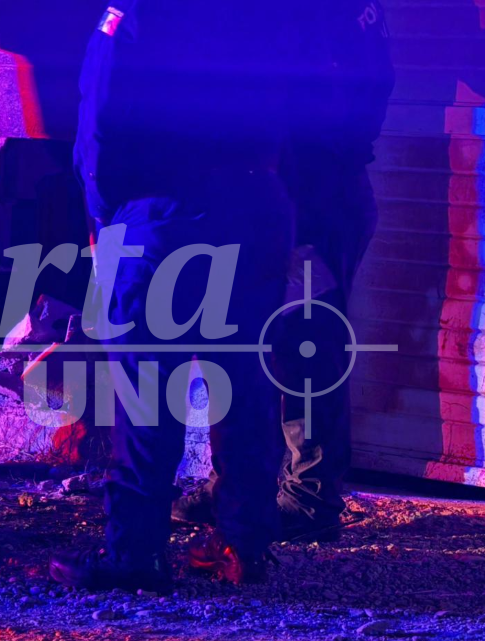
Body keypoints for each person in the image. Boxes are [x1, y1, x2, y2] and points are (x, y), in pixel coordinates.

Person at [49, 0, 300, 590]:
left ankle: (136, 553)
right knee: (243, 385)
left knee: (147, 393)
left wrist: (102, 217)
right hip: (255, 209)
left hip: (163, 215)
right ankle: (244, 546)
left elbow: (100, 118)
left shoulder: (133, 14)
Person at [172, 0, 395, 543]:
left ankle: (308, 497)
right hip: (281, 197)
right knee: (251, 349)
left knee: (303, 349)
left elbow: (343, 98)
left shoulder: (323, 11)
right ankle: (241, 488)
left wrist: (301, 190)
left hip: (312, 202)